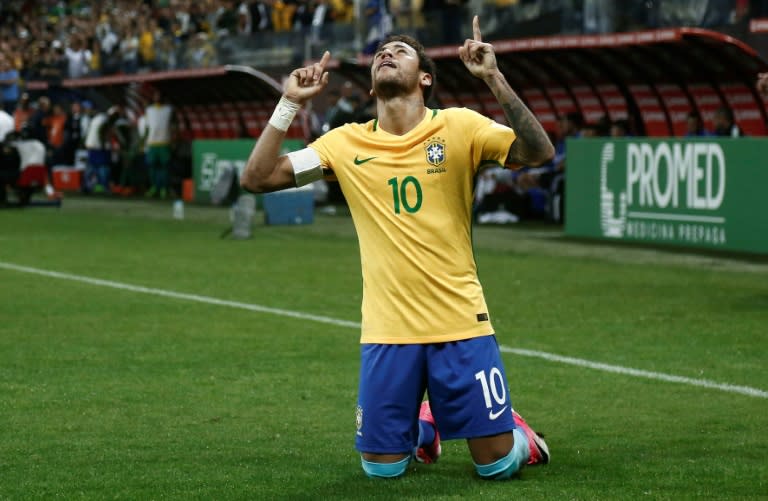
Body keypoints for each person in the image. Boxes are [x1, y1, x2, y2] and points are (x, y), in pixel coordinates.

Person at [241, 16, 553, 480]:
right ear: (371, 85)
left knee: (498, 467)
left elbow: (538, 152)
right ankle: (425, 429)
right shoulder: (344, 143)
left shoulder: (460, 127)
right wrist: (288, 102)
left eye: (400, 51)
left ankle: (517, 434)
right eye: (380, 54)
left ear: (425, 78)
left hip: (459, 319)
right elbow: (257, 178)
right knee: (381, 471)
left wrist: (493, 78)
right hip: (387, 329)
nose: (386, 54)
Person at [141, 90, 174, 199]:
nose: (157, 97)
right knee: (152, 167)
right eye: (155, 95)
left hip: (164, 142)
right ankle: (154, 187)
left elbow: (174, 126)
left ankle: (164, 189)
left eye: (159, 95)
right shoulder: (149, 110)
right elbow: (147, 128)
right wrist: (142, 143)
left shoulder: (169, 110)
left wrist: (175, 141)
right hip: (152, 143)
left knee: (165, 167)